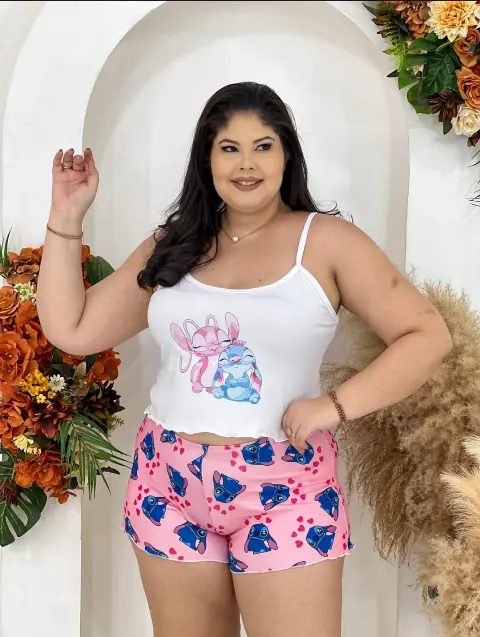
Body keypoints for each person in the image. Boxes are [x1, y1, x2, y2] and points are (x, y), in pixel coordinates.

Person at [36, 81, 452, 637]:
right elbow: (73, 329)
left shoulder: (327, 242)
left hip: (285, 488)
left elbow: (426, 335)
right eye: (229, 148)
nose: (246, 164)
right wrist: (66, 217)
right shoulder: (175, 243)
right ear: (207, 159)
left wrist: (334, 406)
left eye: (263, 146)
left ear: (287, 155)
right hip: (168, 481)